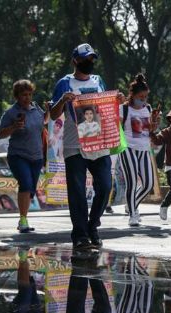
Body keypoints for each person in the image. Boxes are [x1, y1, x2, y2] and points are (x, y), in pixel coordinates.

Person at [50, 43, 112, 250]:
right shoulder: (64, 83)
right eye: (85, 59)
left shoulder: (98, 81)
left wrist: (116, 101)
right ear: (75, 60)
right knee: (76, 191)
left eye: (92, 59)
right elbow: (53, 114)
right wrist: (61, 100)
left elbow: (105, 106)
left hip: (98, 142)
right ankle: (80, 234)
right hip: (74, 144)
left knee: (104, 186)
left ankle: (93, 225)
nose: (89, 62)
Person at [0, 79, 46, 233]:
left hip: (37, 156)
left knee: (31, 188)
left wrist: (49, 111)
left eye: (30, 94)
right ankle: (23, 220)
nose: (27, 97)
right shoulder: (11, 113)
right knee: (25, 184)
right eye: (24, 95)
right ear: (17, 96)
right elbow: (0, 134)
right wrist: (13, 127)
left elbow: (43, 121)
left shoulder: (36, 109)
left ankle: (23, 216)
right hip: (18, 155)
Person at [118, 73, 157, 227]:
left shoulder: (148, 108)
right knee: (132, 181)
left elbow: (149, 129)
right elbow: (116, 125)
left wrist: (154, 124)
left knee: (148, 184)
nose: (144, 100)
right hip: (128, 147)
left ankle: (131, 203)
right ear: (132, 95)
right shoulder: (124, 109)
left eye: (146, 96)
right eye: (141, 96)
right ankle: (133, 214)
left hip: (144, 148)